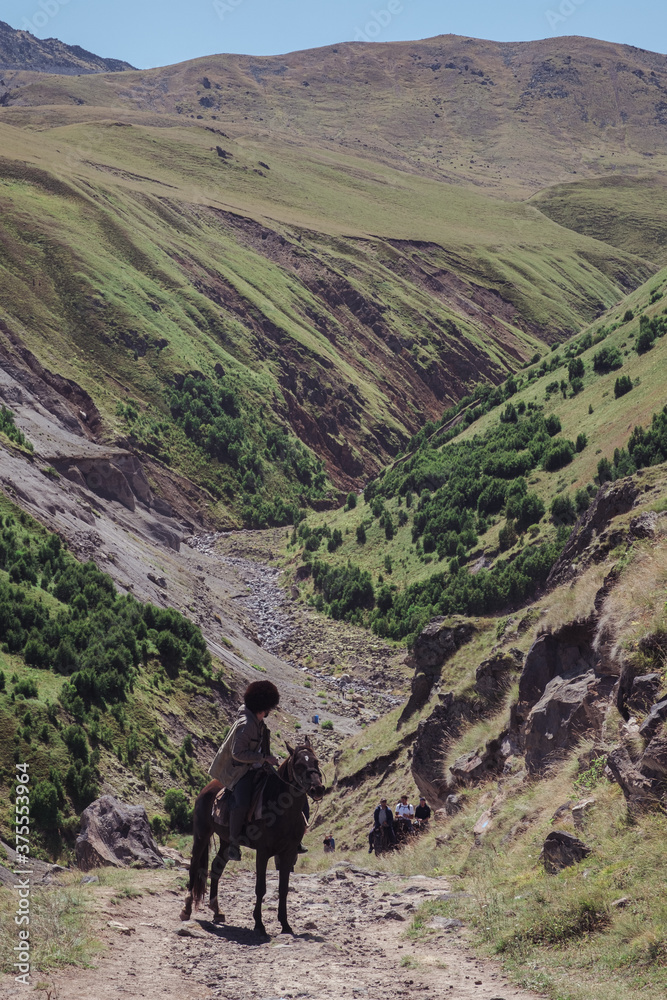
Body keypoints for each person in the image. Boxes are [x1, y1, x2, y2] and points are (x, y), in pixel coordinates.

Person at [209, 680, 308, 860]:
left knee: (292, 790)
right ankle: (233, 843)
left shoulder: (257, 721)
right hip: (240, 772)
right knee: (242, 801)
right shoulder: (246, 725)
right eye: (268, 708)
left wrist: (266, 761)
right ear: (262, 708)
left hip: (259, 767)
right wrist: (262, 759)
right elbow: (237, 753)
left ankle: (295, 837)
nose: (269, 712)